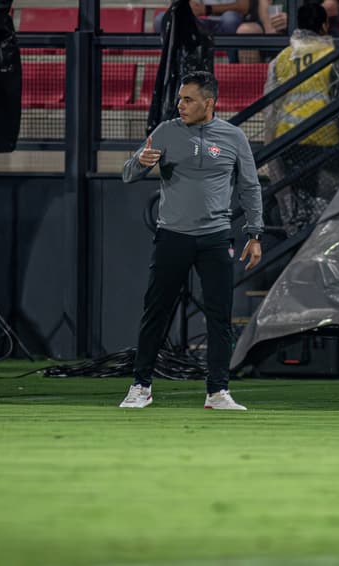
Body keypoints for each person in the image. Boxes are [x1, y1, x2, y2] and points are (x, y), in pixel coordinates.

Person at [121, 70, 264, 410]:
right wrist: (140, 163)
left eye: (188, 100)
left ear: (209, 103)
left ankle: (217, 392)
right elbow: (128, 174)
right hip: (172, 237)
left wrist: (255, 234)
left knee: (219, 316)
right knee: (155, 313)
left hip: (216, 239)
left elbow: (250, 187)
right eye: (180, 99)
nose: (180, 105)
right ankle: (141, 386)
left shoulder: (233, 137)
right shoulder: (166, 131)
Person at [263, 2, 339, 235]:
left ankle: (296, 247)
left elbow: (271, 108)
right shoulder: (332, 56)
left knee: (299, 207)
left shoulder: (281, 59)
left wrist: (272, 146)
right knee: (326, 206)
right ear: (324, 25)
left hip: (288, 141)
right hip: (325, 141)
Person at [154, 0, 250, 36]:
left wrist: (207, 9)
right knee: (161, 19)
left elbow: (244, 6)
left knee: (230, 19)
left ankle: (232, 64)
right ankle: (171, 65)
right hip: (199, 21)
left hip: (225, 22)